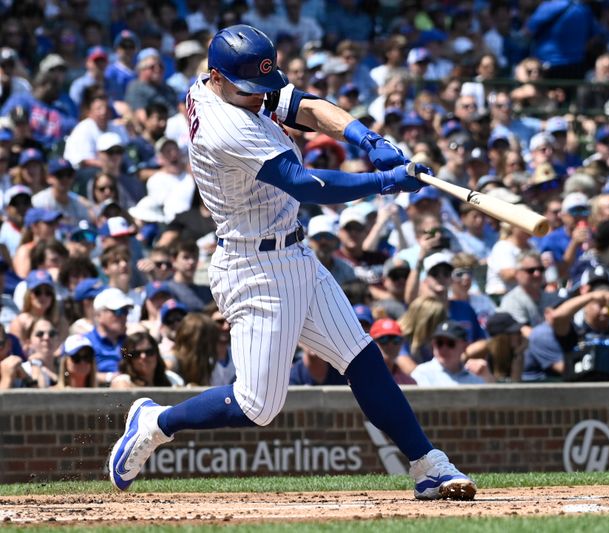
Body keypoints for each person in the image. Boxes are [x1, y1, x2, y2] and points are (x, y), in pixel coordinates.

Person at [108, 25, 475, 501]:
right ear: (216, 79)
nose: (260, 97)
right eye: (250, 90)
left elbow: (302, 104)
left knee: (363, 360)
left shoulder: (229, 81)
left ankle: (428, 465)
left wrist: (366, 137)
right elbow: (304, 184)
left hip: (294, 252)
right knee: (258, 406)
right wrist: (384, 181)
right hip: (253, 268)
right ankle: (155, 421)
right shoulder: (226, 125)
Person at [410, 320, 492, 386]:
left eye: (450, 343)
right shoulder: (421, 373)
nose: (444, 348)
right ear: (433, 344)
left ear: (464, 346)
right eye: (439, 343)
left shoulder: (475, 376)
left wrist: (487, 377)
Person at [370, 318, 416, 385]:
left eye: (396, 339)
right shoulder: (360, 376)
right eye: (383, 339)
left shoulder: (409, 382)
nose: (390, 345)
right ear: (371, 343)